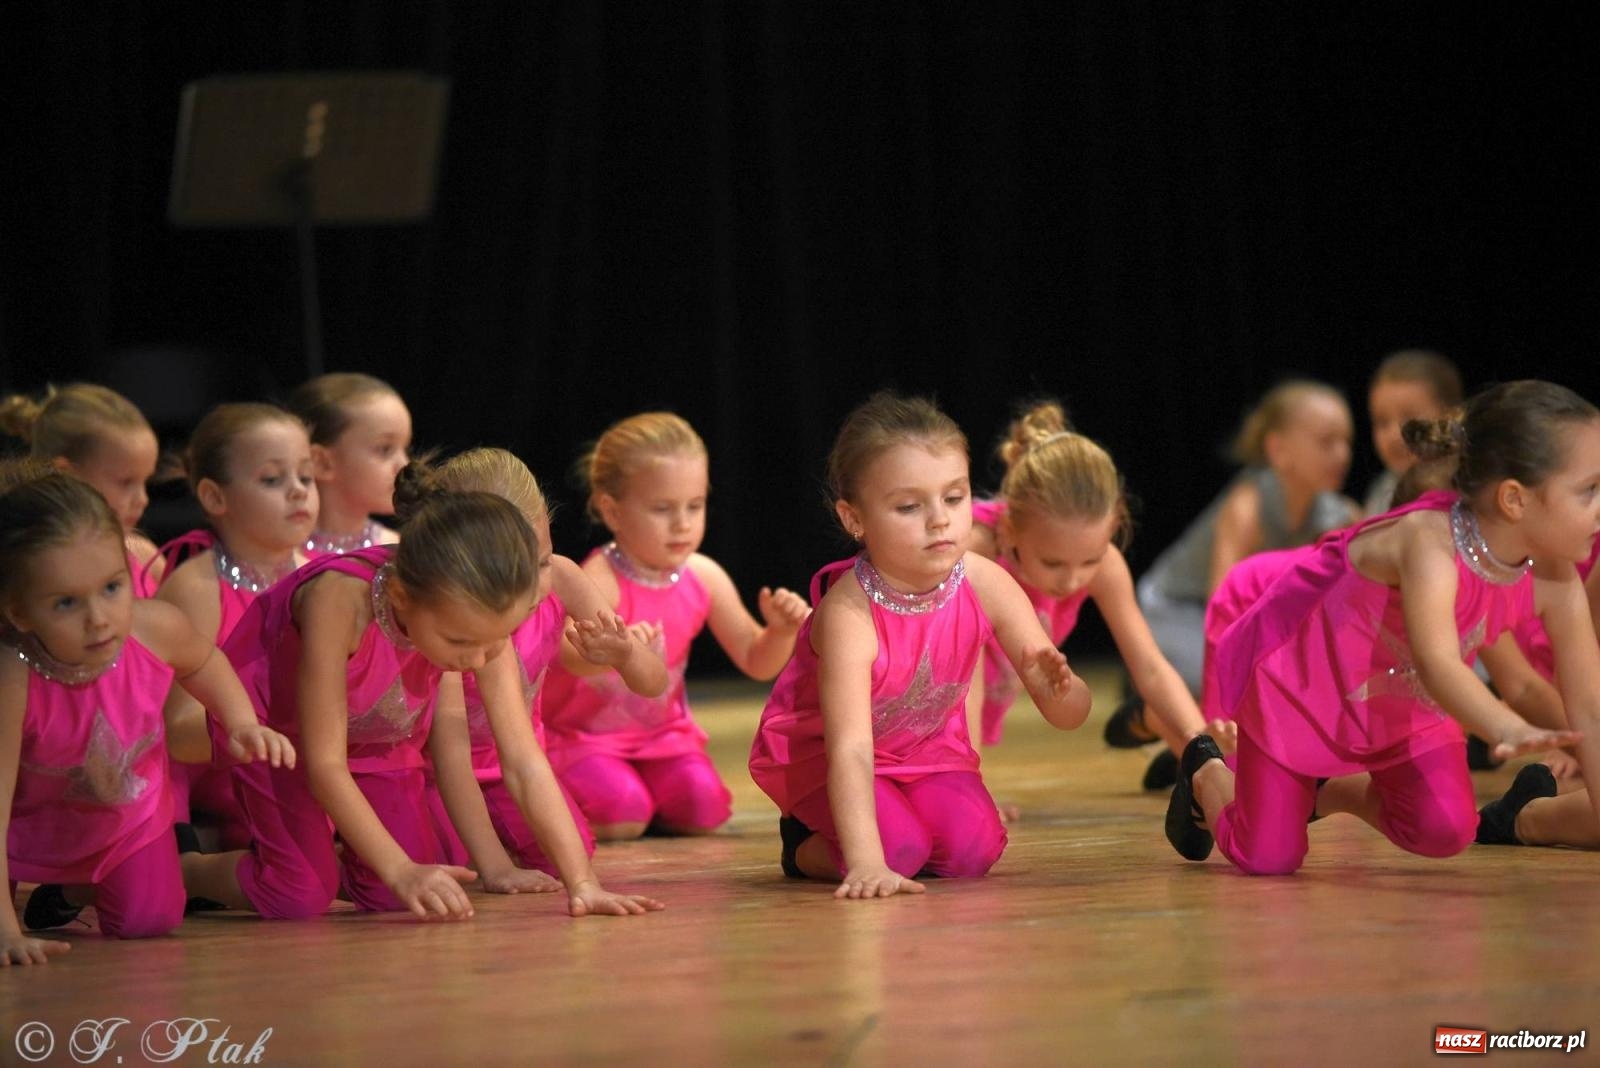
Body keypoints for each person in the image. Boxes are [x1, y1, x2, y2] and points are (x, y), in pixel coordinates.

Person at [178, 462, 663, 920]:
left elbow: (521, 758)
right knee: (299, 895)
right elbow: (325, 763)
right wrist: (399, 868)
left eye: (494, 643)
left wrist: (582, 883)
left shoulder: (476, 620)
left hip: (376, 735)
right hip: (280, 734)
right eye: (461, 643)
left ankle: (333, 863)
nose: (478, 660)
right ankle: (188, 868)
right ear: (404, 598)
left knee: (398, 896)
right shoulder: (337, 600)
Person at [1167, 381, 1600, 874]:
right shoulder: (1428, 540)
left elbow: (1590, 707)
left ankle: (1331, 790)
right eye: (1589, 489)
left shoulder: (1555, 576)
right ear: (1515, 499)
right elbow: (1438, 663)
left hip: (1396, 699)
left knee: (1447, 829)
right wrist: (1505, 725)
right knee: (1269, 857)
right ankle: (1207, 772)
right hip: (1301, 687)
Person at [749, 393, 1091, 899]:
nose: (939, 520)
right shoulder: (848, 615)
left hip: (924, 753)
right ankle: (802, 846)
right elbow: (850, 748)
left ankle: (892, 832)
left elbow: (1070, 715)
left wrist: (1057, 689)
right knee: (896, 851)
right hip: (830, 759)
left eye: (954, 498)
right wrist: (866, 864)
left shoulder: (988, 583)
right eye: (909, 506)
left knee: (973, 852)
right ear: (855, 519)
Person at [1, 472, 292, 961]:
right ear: (19, 612)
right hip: (26, 820)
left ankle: (72, 891)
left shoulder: (155, 628)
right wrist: (6, 932)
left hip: (125, 813)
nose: (99, 618)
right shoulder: (12, 677)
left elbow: (204, 661)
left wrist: (240, 722)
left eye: (112, 587)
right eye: (67, 602)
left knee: (150, 919)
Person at [541, 413, 810, 840]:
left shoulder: (703, 575)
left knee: (703, 809)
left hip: (663, 738)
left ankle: (642, 790)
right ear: (612, 511)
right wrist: (618, 652)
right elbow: (569, 657)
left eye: (694, 505)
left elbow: (755, 660)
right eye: (662, 509)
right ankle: (557, 796)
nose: (682, 523)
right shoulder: (600, 579)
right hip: (583, 738)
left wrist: (779, 632)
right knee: (622, 814)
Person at [422, 448, 668, 874]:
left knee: (570, 854)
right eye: (515, 569)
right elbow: (451, 757)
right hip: (434, 772)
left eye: (540, 562)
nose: (534, 585)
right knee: (449, 865)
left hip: (513, 765)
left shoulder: (564, 577)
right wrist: (496, 868)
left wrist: (626, 653)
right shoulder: (446, 608)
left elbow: (654, 682)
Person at [968, 401, 1227, 793]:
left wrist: (1203, 748)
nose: (1072, 580)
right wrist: (970, 787)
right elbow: (955, 676)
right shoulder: (975, 551)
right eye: (1053, 562)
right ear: (1008, 528)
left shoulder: (1106, 565)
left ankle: (1163, 732)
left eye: (1089, 560)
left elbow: (1151, 667)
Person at [1130, 380, 1356, 708]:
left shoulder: (1339, 514)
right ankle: (1143, 700)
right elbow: (1222, 608)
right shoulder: (1247, 506)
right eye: (1326, 441)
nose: (1342, 454)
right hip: (1176, 607)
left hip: (1245, 622)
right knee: (1229, 678)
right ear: (1278, 450)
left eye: (1347, 441)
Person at [155, 403, 318, 850]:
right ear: (214, 497)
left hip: (310, 771)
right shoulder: (198, 588)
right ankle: (193, 867)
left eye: (306, 476)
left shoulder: (326, 576)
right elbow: (179, 733)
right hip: (227, 781)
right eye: (272, 479)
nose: (298, 491)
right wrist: (265, 725)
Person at [1, 383, 163, 595]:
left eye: (145, 481)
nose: (143, 499)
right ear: (67, 475)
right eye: (125, 482)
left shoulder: (147, 559)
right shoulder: (24, 570)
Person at [287, 373, 410, 556]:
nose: (405, 465)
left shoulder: (398, 552)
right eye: (385, 449)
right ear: (321, 463)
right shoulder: (278, 555)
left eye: (406, 448)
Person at [1363, 349, 1463, 515]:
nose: (1394, 435)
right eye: (1382, 422)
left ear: (1450, 416)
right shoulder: (1381, 490)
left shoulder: (1469, 488)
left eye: (1410, 418)